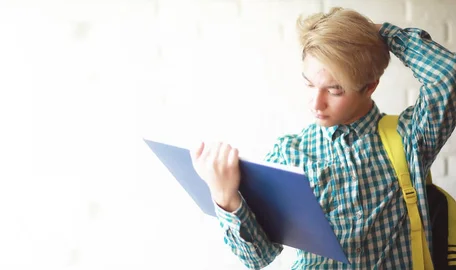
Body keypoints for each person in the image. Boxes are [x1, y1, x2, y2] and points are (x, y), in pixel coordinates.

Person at [190, 7, 456, 269]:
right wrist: (226, 198)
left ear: (370, 85)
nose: (316, 103)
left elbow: (447, 76)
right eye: (309, 84)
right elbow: (259, 257)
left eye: (335, 90)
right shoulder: (289, 154)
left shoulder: (409, 138)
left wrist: (380, 33)